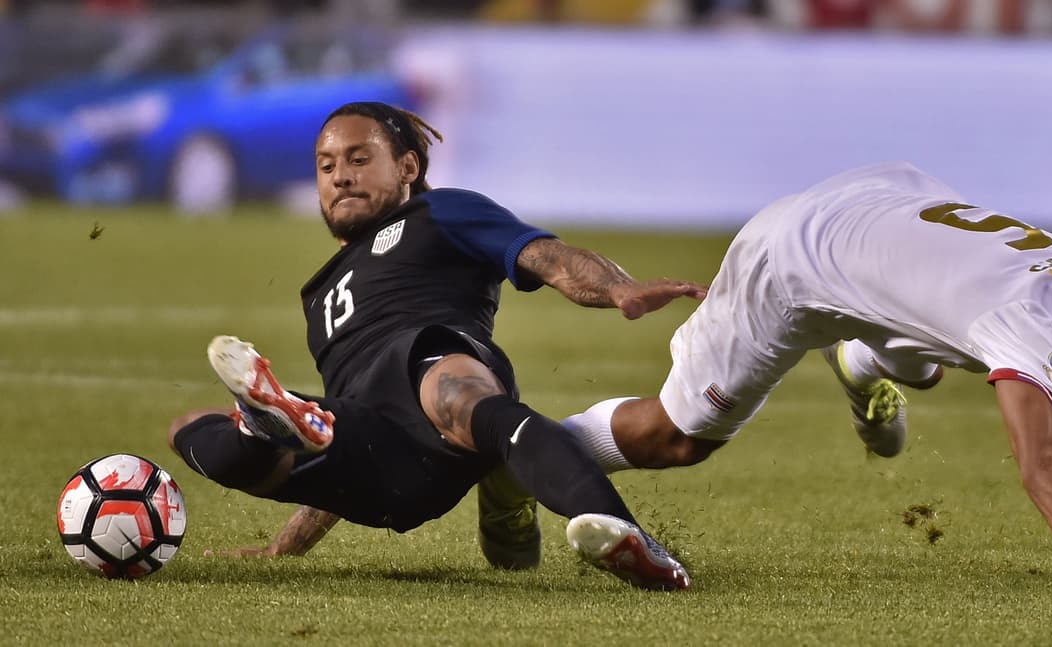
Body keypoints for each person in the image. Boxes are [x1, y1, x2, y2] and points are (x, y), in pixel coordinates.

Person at [561, 161, 1052, 600]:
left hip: (885, 206)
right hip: (795, 259)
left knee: (932, 356)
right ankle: (533, 443)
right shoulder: (1036, 320)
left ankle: (868, 358)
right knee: (677, 438)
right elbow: (1045, 464)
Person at [166, 101, 706, 591]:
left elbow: (550, 257)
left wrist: (617, 288)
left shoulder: (440, 214)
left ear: (406, 167)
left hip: (438, 385)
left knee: (445, 380)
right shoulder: (321, 296)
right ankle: (261, 429)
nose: (341, 177)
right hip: (385, 467)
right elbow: (344, 421)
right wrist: (286, 547)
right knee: (191, 428)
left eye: (358, 159)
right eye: (327, 166)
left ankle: (625, 536)